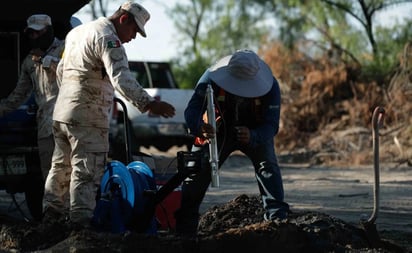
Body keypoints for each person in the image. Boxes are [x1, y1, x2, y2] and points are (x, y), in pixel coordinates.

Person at [43, 1, 176, 226]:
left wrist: (70, 96)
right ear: (123, 19)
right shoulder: (108, 38)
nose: (133, 37)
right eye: (134, 30)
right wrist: (150, 104)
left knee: (60, 167)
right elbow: (121, 78)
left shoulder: (77, 33)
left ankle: (51, 218)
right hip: (88, 118)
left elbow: (61, 72)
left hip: (62, 113)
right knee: (86, 171)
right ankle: (80, 226)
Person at [175, 49, 290, 236]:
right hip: (218, 131)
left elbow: (271, 125)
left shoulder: (271, 86)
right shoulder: (210, 77)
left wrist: (253, 136)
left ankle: (278, 224)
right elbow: (192, 110)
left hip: (255, 131)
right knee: (195, 169)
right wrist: (200, 127)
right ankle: (185, 230)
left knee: (267, 166)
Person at [0, 14, 64, 181]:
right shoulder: (30, 61)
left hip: (68, 126)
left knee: (72, 179)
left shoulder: (67, 49)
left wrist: (46, 60)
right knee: (51, 181)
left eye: (38, 32)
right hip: (45, 128)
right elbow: (19, 94)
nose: (34, 37)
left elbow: (74, 72)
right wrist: (2, 109)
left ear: (48, 31)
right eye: (31, 34)